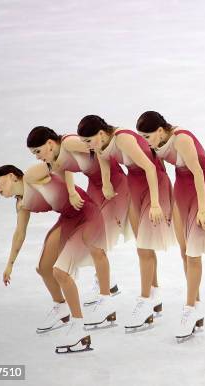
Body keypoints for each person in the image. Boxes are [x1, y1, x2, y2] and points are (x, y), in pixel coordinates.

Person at [136, 111, 205, 341]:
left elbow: (199, 172)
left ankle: (189, 309)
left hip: (201, 191)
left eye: (147, 136)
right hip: (180, 190)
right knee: (183, 251)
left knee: (193, 254)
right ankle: (195, 307)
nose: (145, 141)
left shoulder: (181, 139)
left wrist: (202, 208)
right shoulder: (158, 142)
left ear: (160, 130)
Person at [0, 164, 107, 353]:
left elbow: (61, 162)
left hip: (86, 213)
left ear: (12, 176)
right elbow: (19, 233)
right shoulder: (21, 202)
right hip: (68, 218)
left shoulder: (31, 176)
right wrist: (9, 265)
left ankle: (80, 331)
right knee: (44, 268)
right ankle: (61, 308)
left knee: (60, 272)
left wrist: (71, 191)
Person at [77, 115, 174, 330]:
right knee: (143, 243)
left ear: (101, 134)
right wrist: (105, 183)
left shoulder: (122, 139)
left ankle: (145, 299)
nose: (86, 146)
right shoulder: (102, 143)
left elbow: (149, 167)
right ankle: (155, 293)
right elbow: (102, 157)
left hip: (154, 184)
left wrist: (156, 203)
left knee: (143, 248)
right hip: (135, 186)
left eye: (88, 141)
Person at [26, 126, 129, 313]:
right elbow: (63, 167)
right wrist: (71, 192)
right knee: (93, 237)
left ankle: (108, 296)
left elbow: (99, 151)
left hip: (113, 183)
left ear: (50, 143)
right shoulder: (57, 154)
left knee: (98, 240)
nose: (37, 156)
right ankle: (107, 283)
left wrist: (106, 183)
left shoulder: (69, 142)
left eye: (37, 151)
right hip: (96, 186)